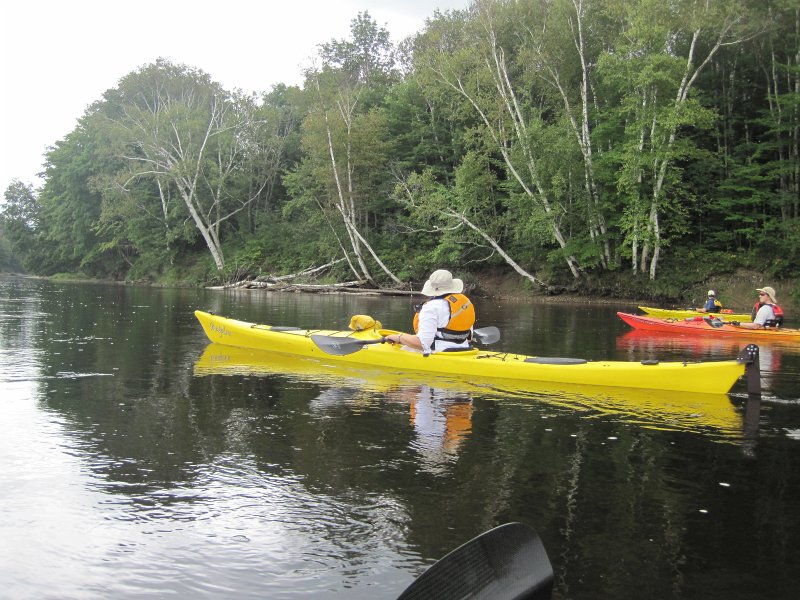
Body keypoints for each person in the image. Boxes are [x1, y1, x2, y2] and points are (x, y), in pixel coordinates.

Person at [385, 269, 475, 355]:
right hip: (465, 348)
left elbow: (422, 344)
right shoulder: (465, 302)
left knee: (399, 349)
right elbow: (469, 338)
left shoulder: (431, 307)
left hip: (440, 351)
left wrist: (398, 337)